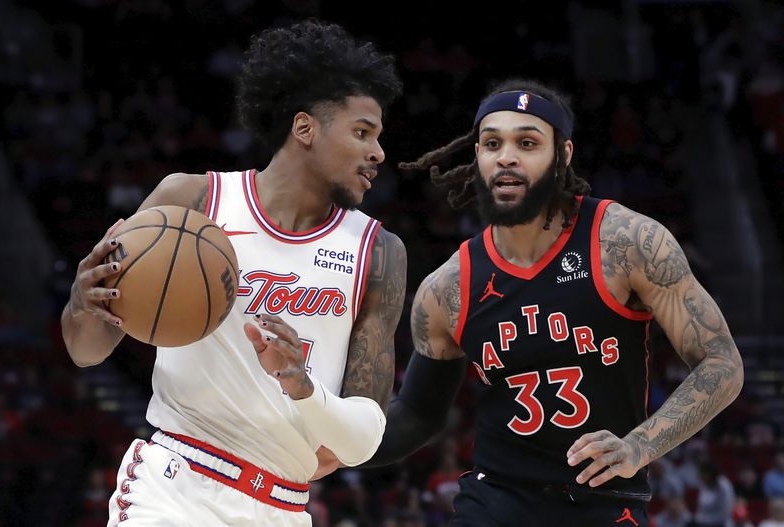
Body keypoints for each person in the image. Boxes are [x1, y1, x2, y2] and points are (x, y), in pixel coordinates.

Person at [60, 19, 406, 527]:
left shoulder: (379, 252)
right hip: (174, 486)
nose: (378, 153)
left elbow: (361, 440)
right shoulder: (192, 202)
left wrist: (303, 388)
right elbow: (86, 352)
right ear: (305, 127)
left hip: (284, 506)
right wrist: (82, 302)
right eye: (362, 133)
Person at [355, 79, 744, 526]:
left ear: (562, 156)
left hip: (602, 500)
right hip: (494, 500)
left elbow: (722, 363)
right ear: (477, 156)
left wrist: (640, 445)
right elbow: (418, 414)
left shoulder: (625, 242)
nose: (506, 156)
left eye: (527, 142)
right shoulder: (448, 288)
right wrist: (327, 442)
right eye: (492, 143)